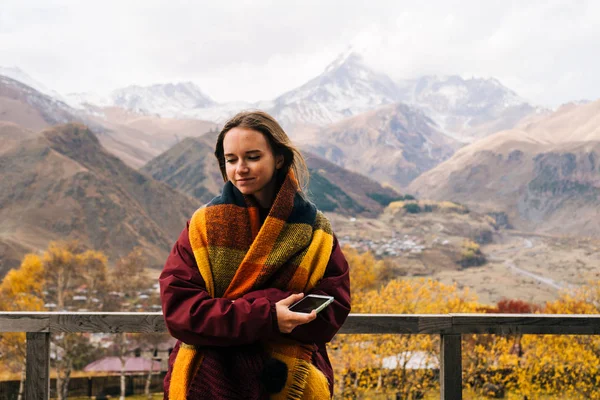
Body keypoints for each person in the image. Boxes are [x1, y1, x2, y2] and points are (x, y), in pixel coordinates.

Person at [159, 110, 351, 399]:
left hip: (288, 381)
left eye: (252, 157)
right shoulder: (203, 228)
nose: (240, 169)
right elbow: (181, 312)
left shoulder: (315, 230)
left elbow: (332, 310)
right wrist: (269, 316)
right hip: (208, 379)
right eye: (231, 160)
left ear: (279, 158)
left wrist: (237, 310)